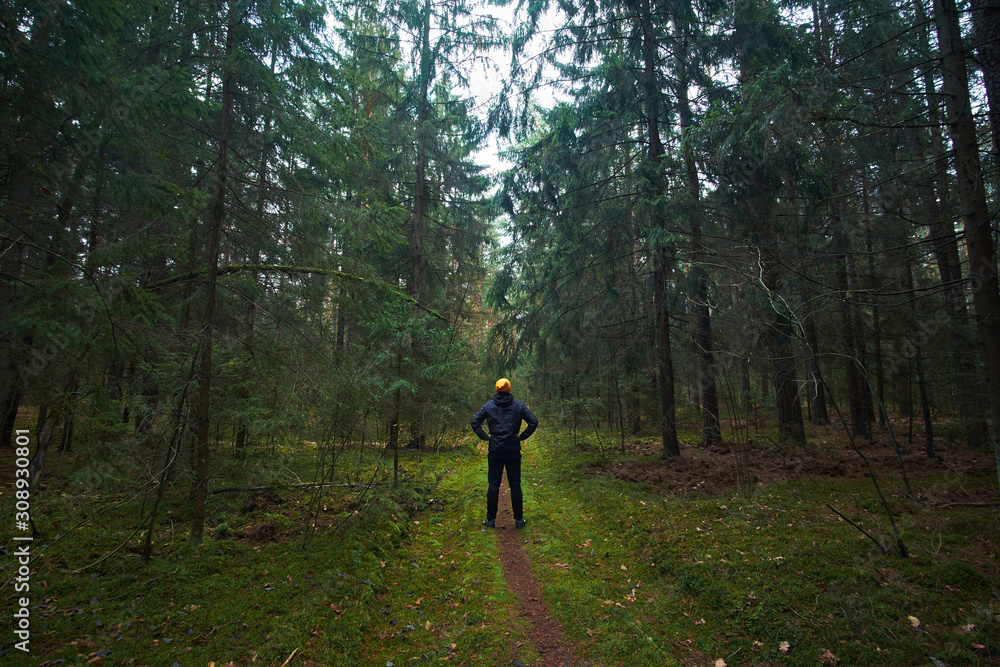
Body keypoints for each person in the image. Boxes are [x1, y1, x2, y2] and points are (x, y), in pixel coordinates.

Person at [471, 378, 538, 529]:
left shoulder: (488, 406)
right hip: (513, 450)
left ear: (496, 389)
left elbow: (474, 422)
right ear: (509, 389)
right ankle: (519, 520)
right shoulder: (519, 406)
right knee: (515, 484)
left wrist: (486, 437)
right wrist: (521, 437)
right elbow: (533, 421)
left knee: (493, 485)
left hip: (495, 450)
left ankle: (490, 520)